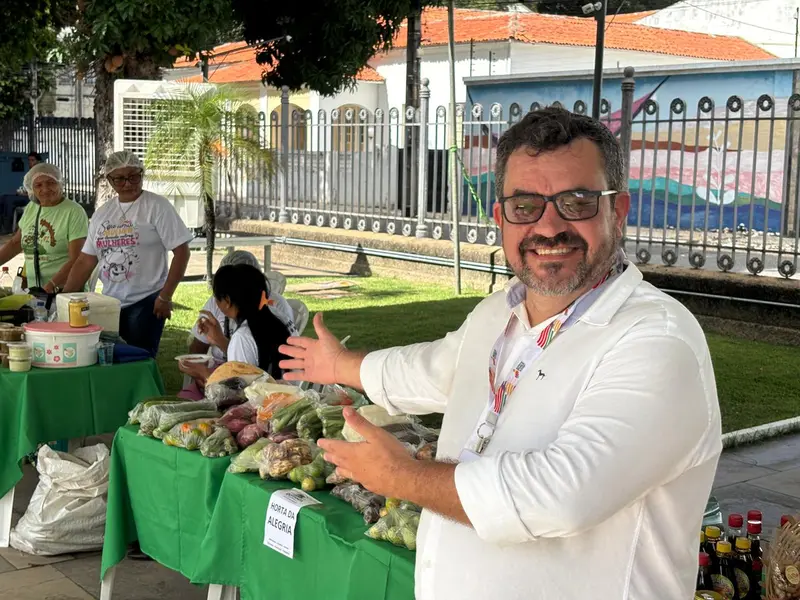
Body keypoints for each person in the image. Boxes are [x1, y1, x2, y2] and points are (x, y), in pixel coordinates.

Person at [279, 108, 722, 599]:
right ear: (500, 218)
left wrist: (402, 476)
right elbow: (433, 369)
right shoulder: (498, 314)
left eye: (576, 201)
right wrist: (341, 365)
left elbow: (561, 496)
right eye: (525, 204)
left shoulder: (657, 339)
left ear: (617, 210)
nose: (549, 226)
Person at [63, 150, 191, 357]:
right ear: (110, 181)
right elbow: (86, 259)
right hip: (110, 303)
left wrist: (165, 296)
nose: (128, 183)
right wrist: (65, 296)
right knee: (108, 359)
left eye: (134, 176)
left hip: (147, 301)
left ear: (142, 174)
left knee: (138, 359)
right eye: (120, 179)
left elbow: (182, 252)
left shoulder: (157, 207)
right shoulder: (103, 213)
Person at [177, 250, 295, 398]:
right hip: (290, 397)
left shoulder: (243, 336)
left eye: (217, 298)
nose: (214, 303)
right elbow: (256, 368)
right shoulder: (277, 317)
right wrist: (219, 339)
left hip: (265, 409)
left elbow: (237, 396)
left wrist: (204, 373)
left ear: (226, 301)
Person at [0, 163, 88, 293]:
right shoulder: (31, 208)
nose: (45, 189)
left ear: (60, 183)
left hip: (65, 291)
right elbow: (16, 243)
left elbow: (77, 259)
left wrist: (51, 285)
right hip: (35, 291)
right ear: (31, 189)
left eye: (51, 183)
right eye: (38, 185)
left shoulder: (74, 211)